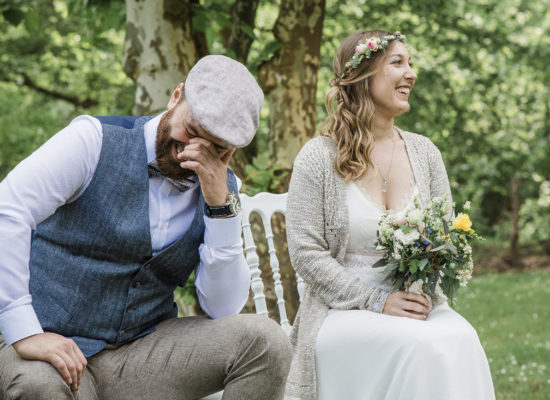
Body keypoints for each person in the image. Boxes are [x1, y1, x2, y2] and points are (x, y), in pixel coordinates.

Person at [0, 55, 292, 400]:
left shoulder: (224, 190)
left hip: (142, 354)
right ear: (175, 95)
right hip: (46, 345)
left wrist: (219, 206)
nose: (193, 152)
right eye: (193, 131)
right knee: (38, 386)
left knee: (266, 343)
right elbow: (9, 209)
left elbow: (223, 307)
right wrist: (24, 330)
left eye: (216, 149)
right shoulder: (93, 141)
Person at [284, 30, 495, 399]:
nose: (411, 73)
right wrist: (377, 302)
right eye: (397, 63)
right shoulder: (318, 157)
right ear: (362, 76)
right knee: (419, 348)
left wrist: (420, 291)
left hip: (414, 305)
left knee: (462, 337)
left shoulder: (425, 152)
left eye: (410, 62)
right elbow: (306, 253)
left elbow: (445, 238)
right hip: (341, 310)